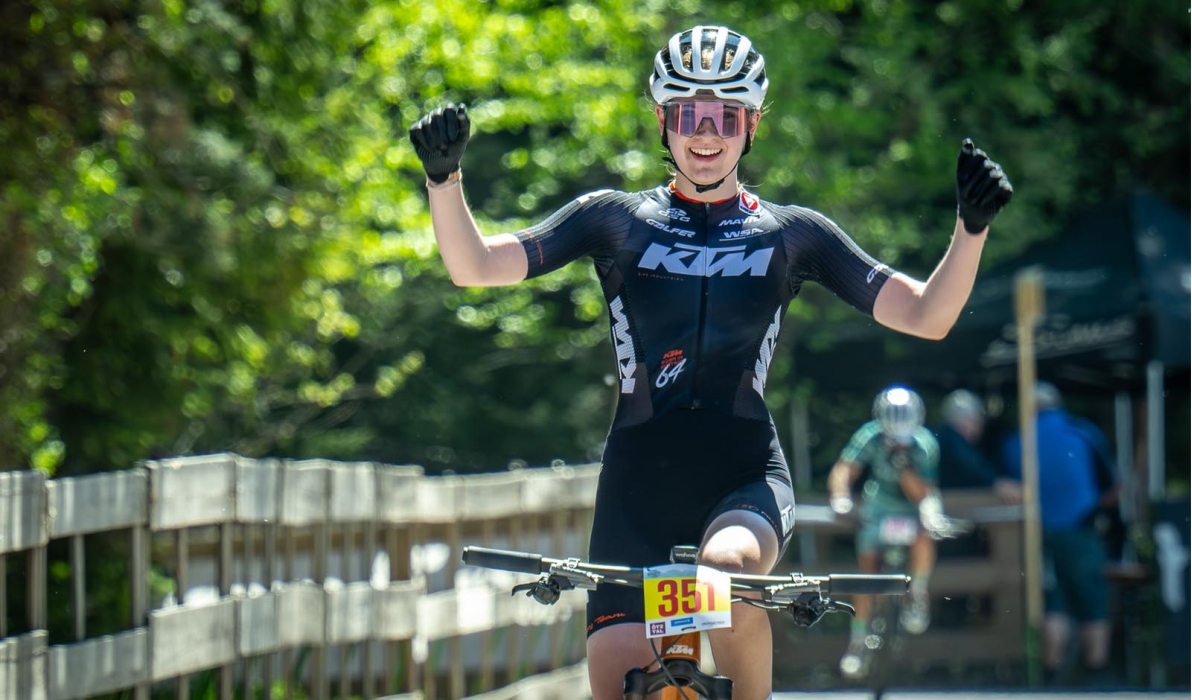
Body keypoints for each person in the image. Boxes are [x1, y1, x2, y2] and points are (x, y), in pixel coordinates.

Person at [408, 24, 1013, 700]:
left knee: (718, 579)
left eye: (725, 117)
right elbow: (475, 267)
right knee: (615, 668)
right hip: (637, 485)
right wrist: (444, 181)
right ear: (664, 124)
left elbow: (927, 316)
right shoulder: (614, 219)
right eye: (689, 115)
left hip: (743, 478)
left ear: (750, 125)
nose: (705, 134)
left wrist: (970, 230)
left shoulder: (792, 234)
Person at [1001, 381, 1115, 684]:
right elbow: (1109, 487)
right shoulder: (1083, 432)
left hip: (1039, 533)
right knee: (1092, 599)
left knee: (1053, 601)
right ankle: (1097, 673)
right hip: (1082, 529)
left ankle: (1051, 673)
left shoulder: (1017, 441)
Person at [827, 385, 941, 679]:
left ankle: (917, 593)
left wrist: (903, 468)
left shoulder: (924, 444)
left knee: (926, 533)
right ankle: (859, 639)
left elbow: (923, 494)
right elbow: (845, 468)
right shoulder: (871, 435)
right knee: (866, 572)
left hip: (911, 508)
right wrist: (841, 497)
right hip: (879, 507)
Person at [935, 389, 1022, 502]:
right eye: (978, 421)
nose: (981, 428)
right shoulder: (952, 441)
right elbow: (970, 466)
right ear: (969, 421)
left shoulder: (947, 437)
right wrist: (996, 483)